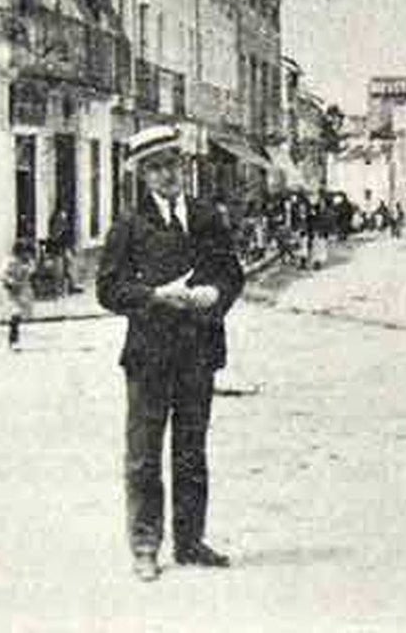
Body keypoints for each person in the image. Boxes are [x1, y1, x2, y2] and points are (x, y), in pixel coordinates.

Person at [96, 124, 245, 583]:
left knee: (190, 451)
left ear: (183, 166)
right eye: (155, 169)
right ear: (143, 176)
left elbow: (232, 274)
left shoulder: (206, 217)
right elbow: (108, 289)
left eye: (172, 165)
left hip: (198, 352)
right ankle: (145, 546)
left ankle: (191, 541)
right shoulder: (128, 225)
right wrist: (155, 295)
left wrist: (214, 294)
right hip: (149, 355)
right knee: (143, 454)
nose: (166, 175)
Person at [1, 240, 35, 352]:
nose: (24, 253)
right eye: (22, 251)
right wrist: (10, 282)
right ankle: (13, 341)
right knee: (15, 315)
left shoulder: (26, 262)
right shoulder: (10, 261)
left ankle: (14, 339)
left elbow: (31, 271)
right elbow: (3, 275)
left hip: (23, 291)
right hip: (13, 292)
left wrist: (29, 265)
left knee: (21, 315)